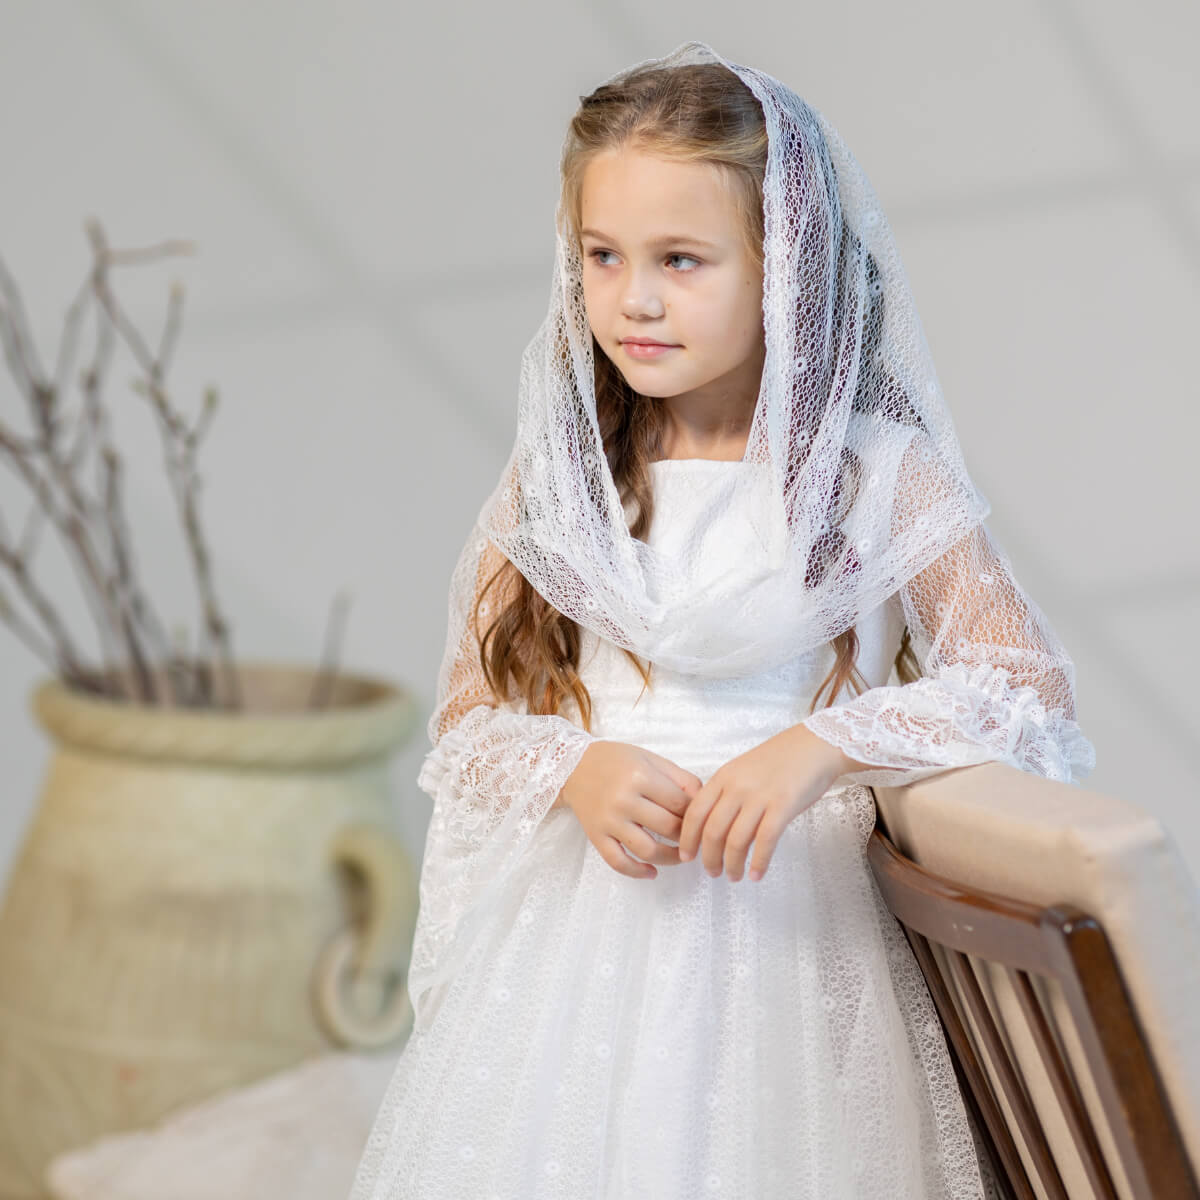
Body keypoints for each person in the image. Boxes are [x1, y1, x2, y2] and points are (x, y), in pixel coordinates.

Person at [347, 40, 1096, 1200]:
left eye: (681, 259)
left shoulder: (872, 476)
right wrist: (578, 767)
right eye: (603, 256)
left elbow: (1023, 679)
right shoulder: (564, 479)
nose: (633, 298)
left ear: (781, 267)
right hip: (586, 938)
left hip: (792, 939)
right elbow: (466, 721)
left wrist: (821, 746)